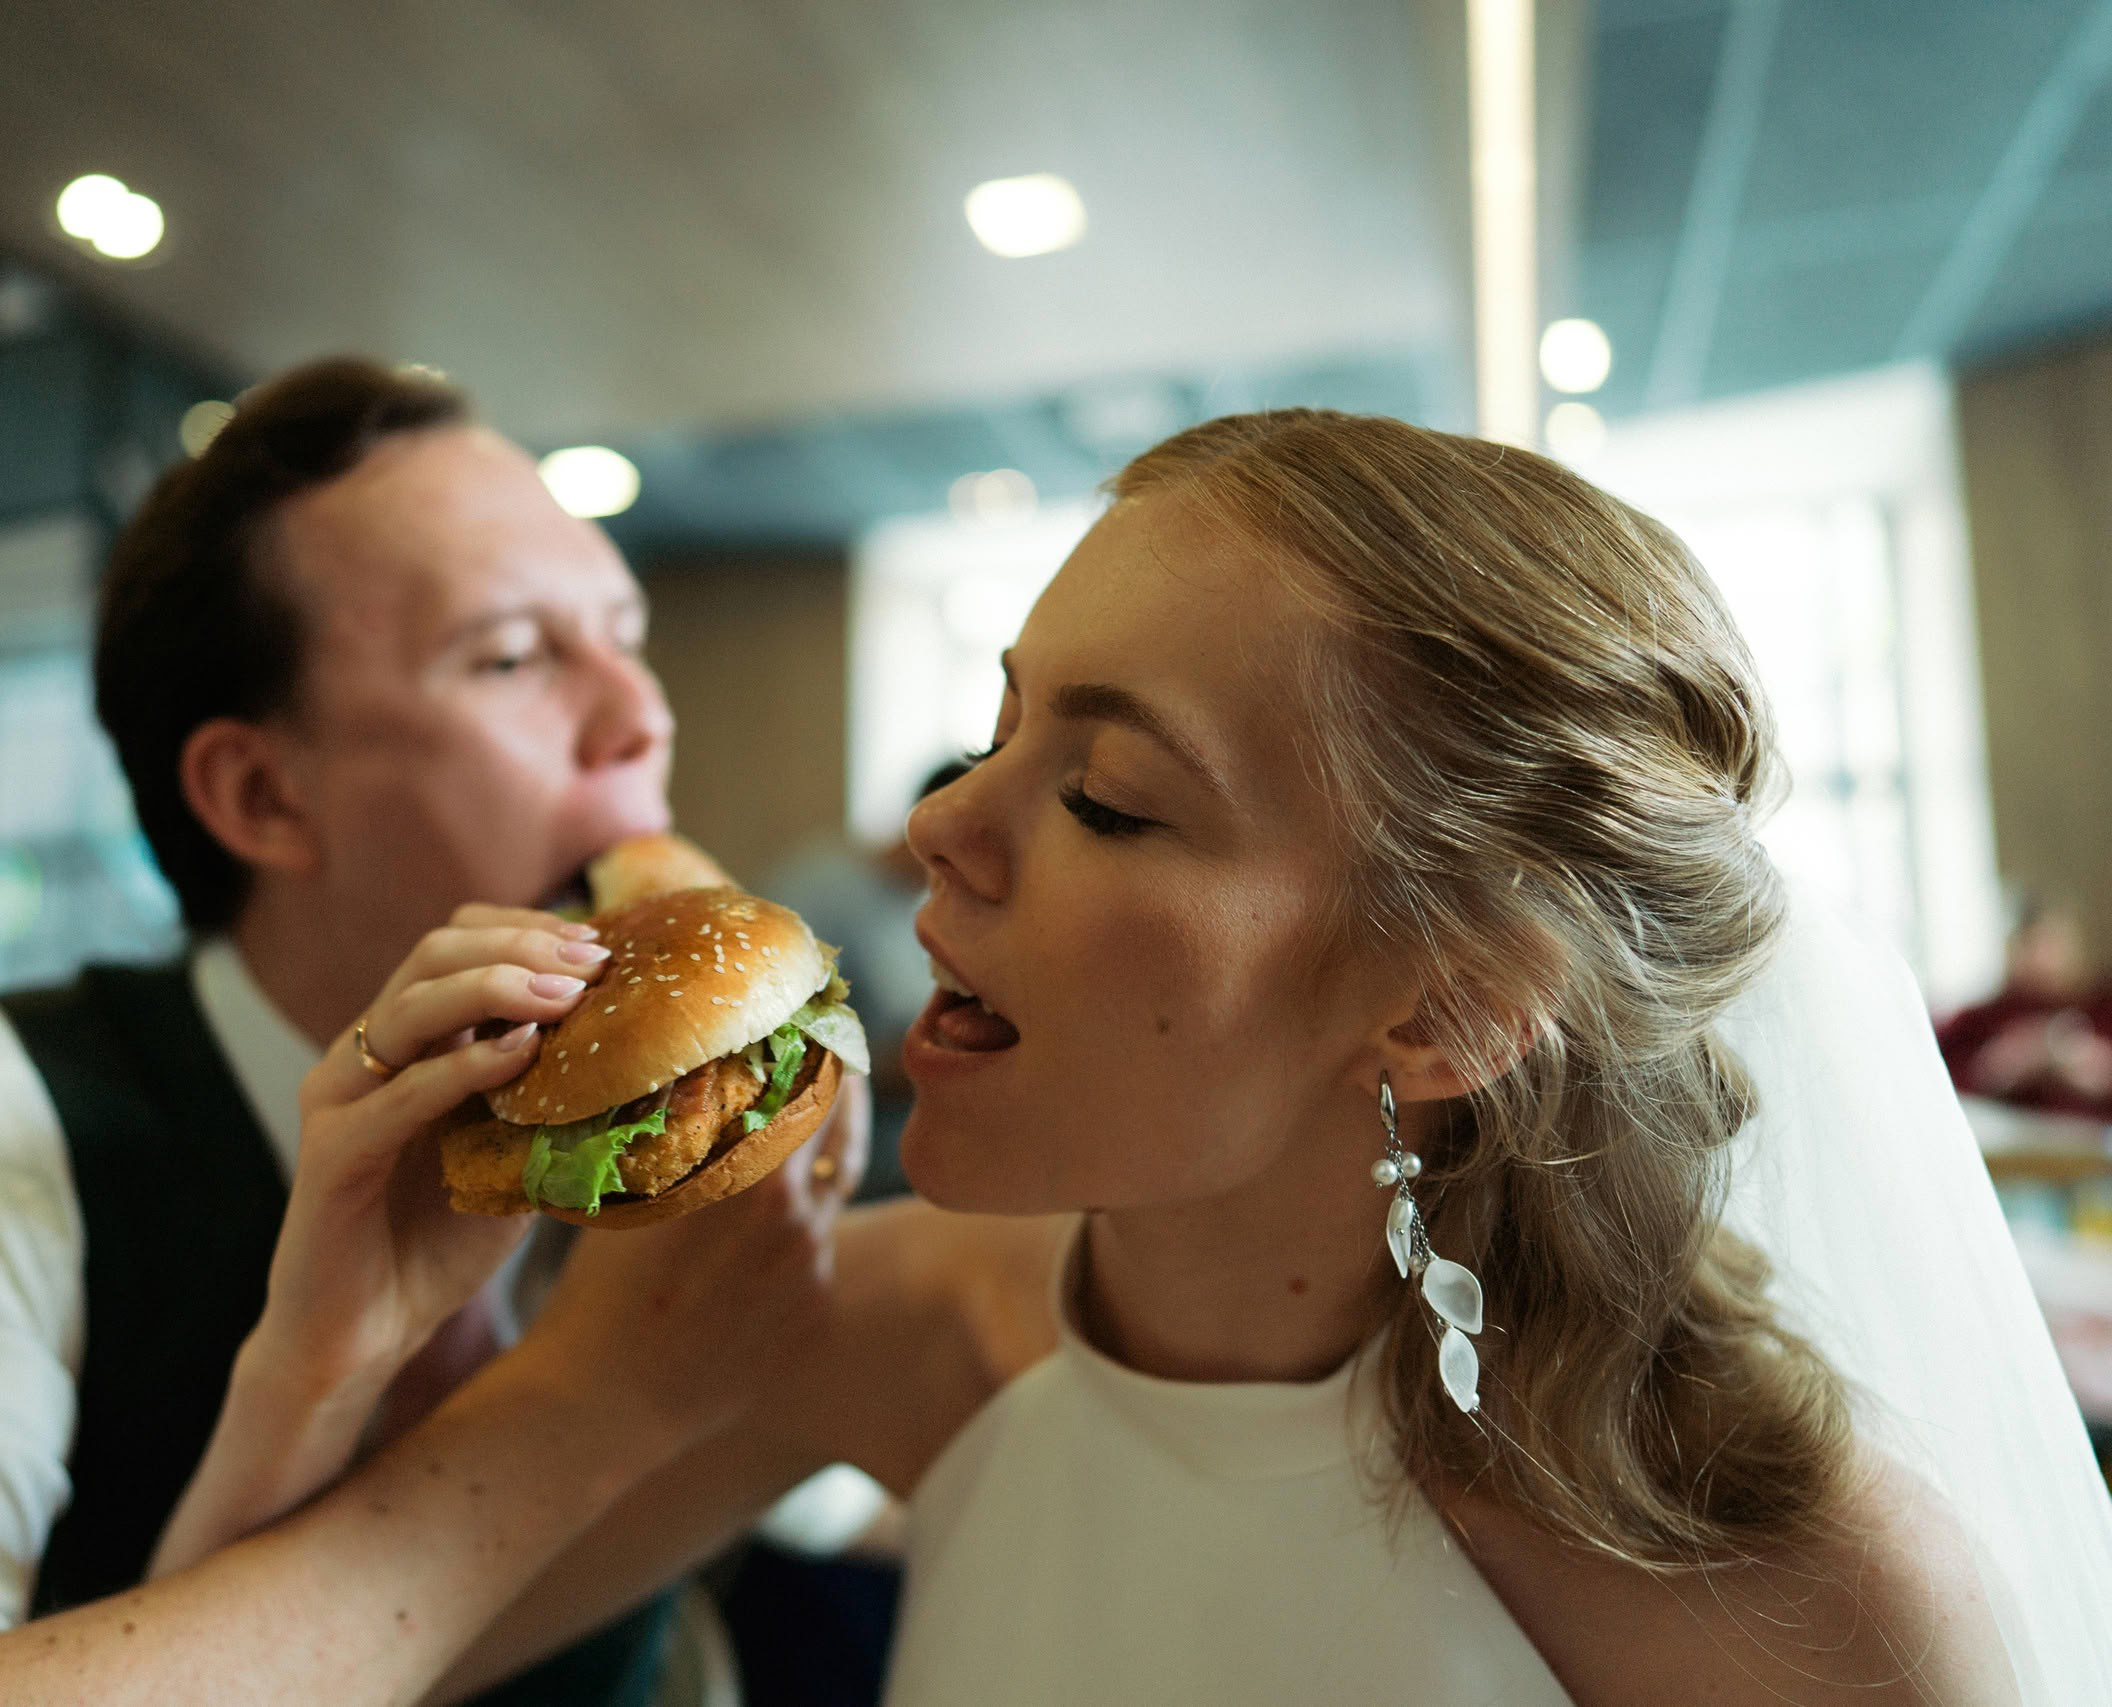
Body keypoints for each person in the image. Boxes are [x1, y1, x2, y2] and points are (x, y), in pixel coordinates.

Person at [205, 408, 2112, 1702]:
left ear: (1441, 1009)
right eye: (1002, 726)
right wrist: (328, 1353)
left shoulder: (1778, 1562)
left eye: (1112, 798)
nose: (945, 824)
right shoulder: (862, 1314)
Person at [0, 358, 858, 1706]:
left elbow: (877, 1448)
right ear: (263, 794)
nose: (642, 714)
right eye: (511, 656)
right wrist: (589, 1406)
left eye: (627, 632)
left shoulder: (667, 1111)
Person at [764, 759, 968, 1200]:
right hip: (834, 1169)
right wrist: (894, 1063)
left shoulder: (937, 909)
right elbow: (770, 1049)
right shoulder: (820, 894)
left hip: (912, 1162)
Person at [1936, 898, 2112, 1119]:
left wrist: (2092, 1067)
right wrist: (1998, 1066)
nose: (2041, 957)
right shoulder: (1979, 1020)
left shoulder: (2102, 1007)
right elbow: (1941, 1086)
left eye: (2051, 943)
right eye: (2030, 944)